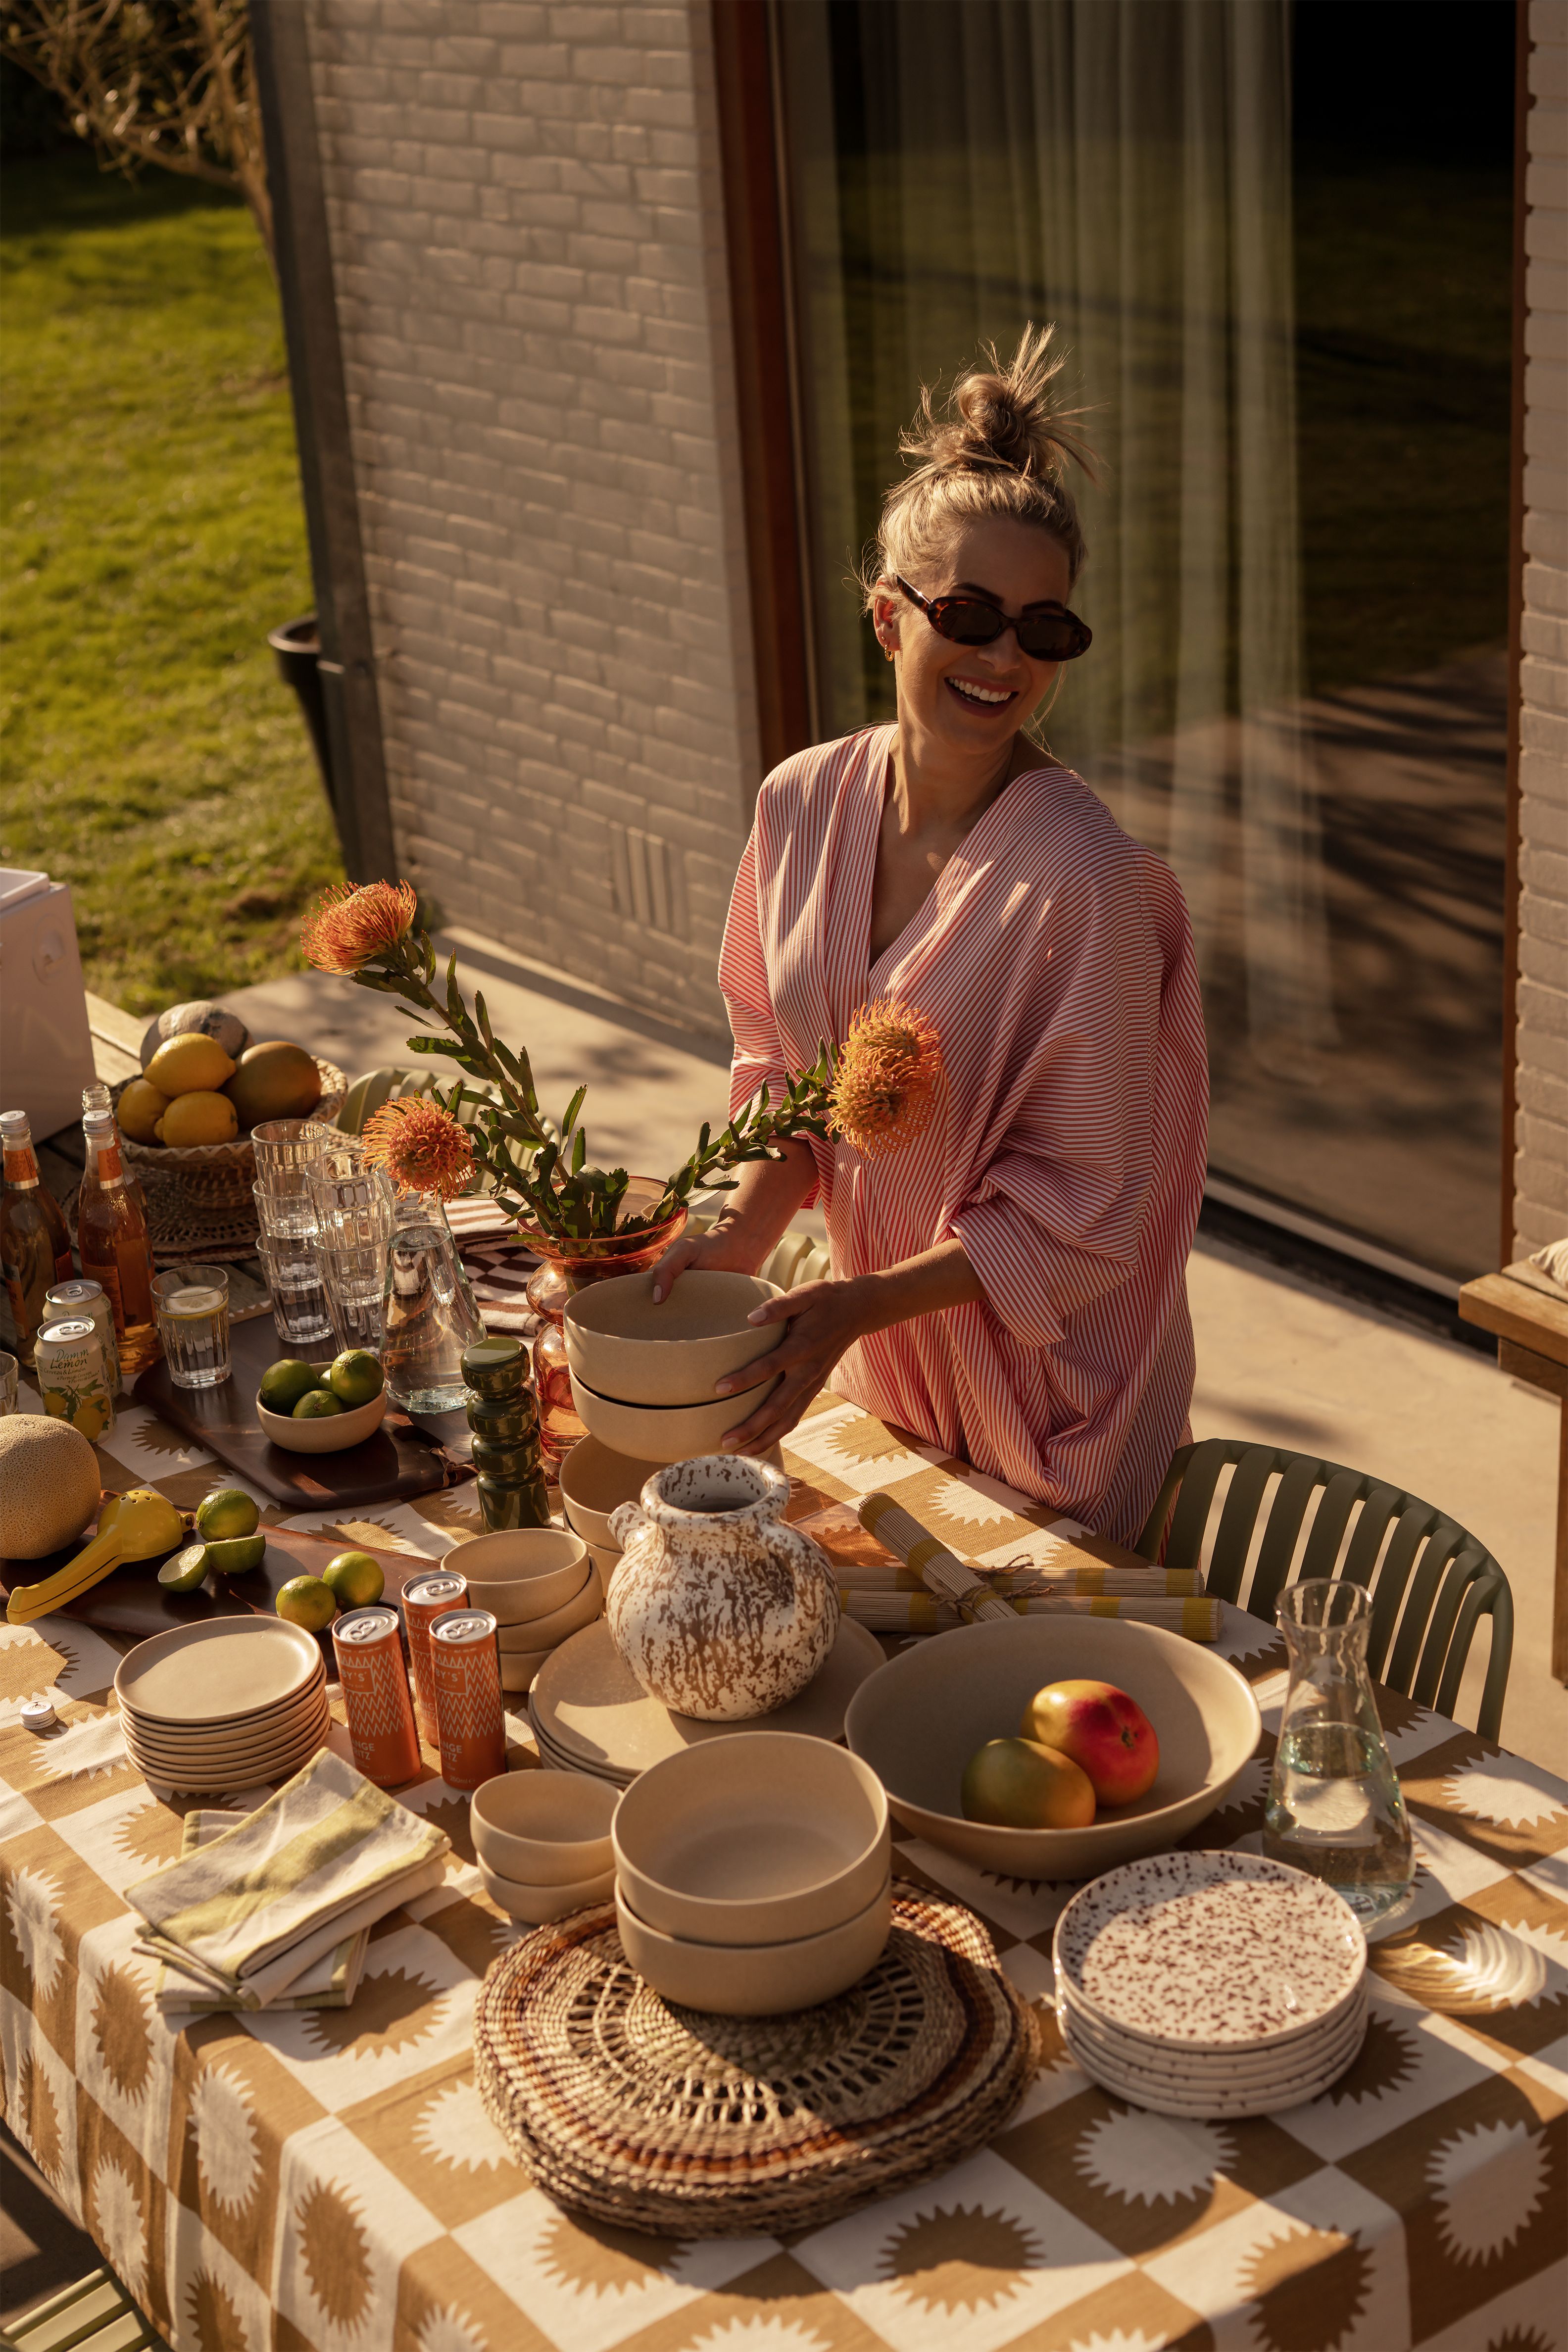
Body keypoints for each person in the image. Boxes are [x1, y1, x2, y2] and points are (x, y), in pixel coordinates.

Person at [652, 326, 1208, 1546]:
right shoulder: (801, 806)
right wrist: (735, 1241)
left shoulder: (1086, 882)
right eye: (968, 613)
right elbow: (785, 1076)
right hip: (883, 1361)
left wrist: (856, 1307)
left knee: (1022, 1659)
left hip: (1050, 1400)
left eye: (1046, 630)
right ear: (888, 620)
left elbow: (1089, 1207)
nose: (1005, 657)